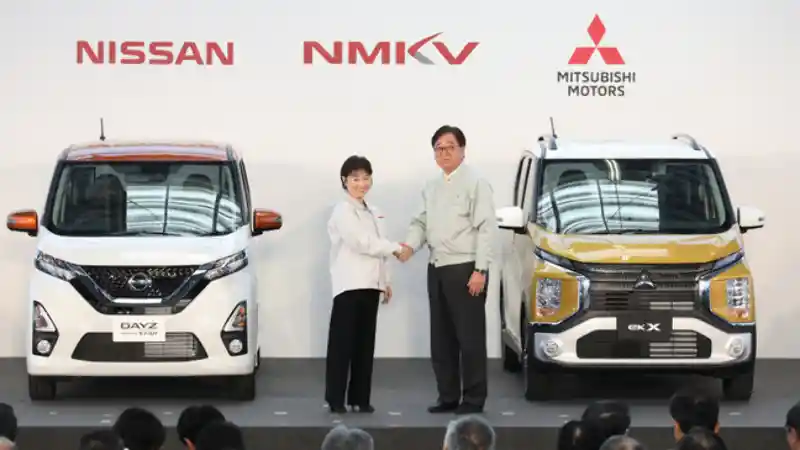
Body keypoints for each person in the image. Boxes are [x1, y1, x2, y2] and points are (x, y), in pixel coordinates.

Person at [397, 125, 496, 414]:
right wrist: (410, 246)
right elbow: (420, 222)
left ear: (463, 150)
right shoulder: (431, 186)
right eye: (439, 148)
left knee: (470, 339)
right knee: (441, 339)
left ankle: (474, 399)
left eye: (450, 147)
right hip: (437, 266)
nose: (444, 153)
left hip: (466, 268)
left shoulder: (476, 182)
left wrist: (481, 270)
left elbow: (487, 228)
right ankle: (448, 396)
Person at [325, 155, 402, 414]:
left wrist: (386, 280)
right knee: (342, 344)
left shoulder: (375, 211)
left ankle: (360, 398)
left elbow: (380, 247)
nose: (361, 184)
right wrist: (396, 248)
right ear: (344, 180)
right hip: (349, 284)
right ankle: (335, 399)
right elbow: (361, 242)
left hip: (371, 283)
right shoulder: (342, 210)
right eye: (355, 179)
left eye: (366, 178)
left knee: (365, 344)